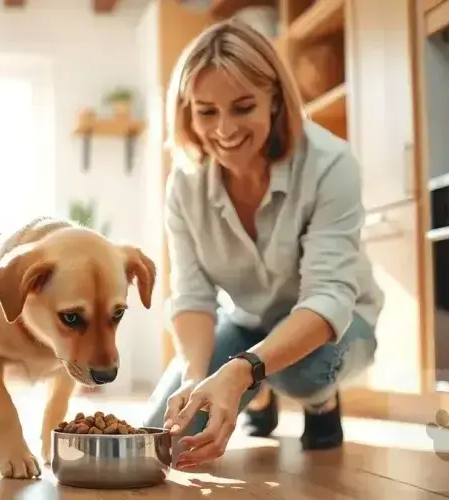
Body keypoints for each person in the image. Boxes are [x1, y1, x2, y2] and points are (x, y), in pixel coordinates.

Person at [142, 18, 384, 469]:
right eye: (206, 111)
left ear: (274, 100)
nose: (224, 129)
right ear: (188, 111)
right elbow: (193, 296)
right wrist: (196, 376)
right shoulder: (184, 185)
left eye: (243, 107)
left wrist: (241, 371)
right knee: (164, 435)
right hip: (248, 323)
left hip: (340, 326)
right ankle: (256, 393)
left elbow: (328, 297)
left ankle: (319, 401)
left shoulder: (330, 163)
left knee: (301, 371)